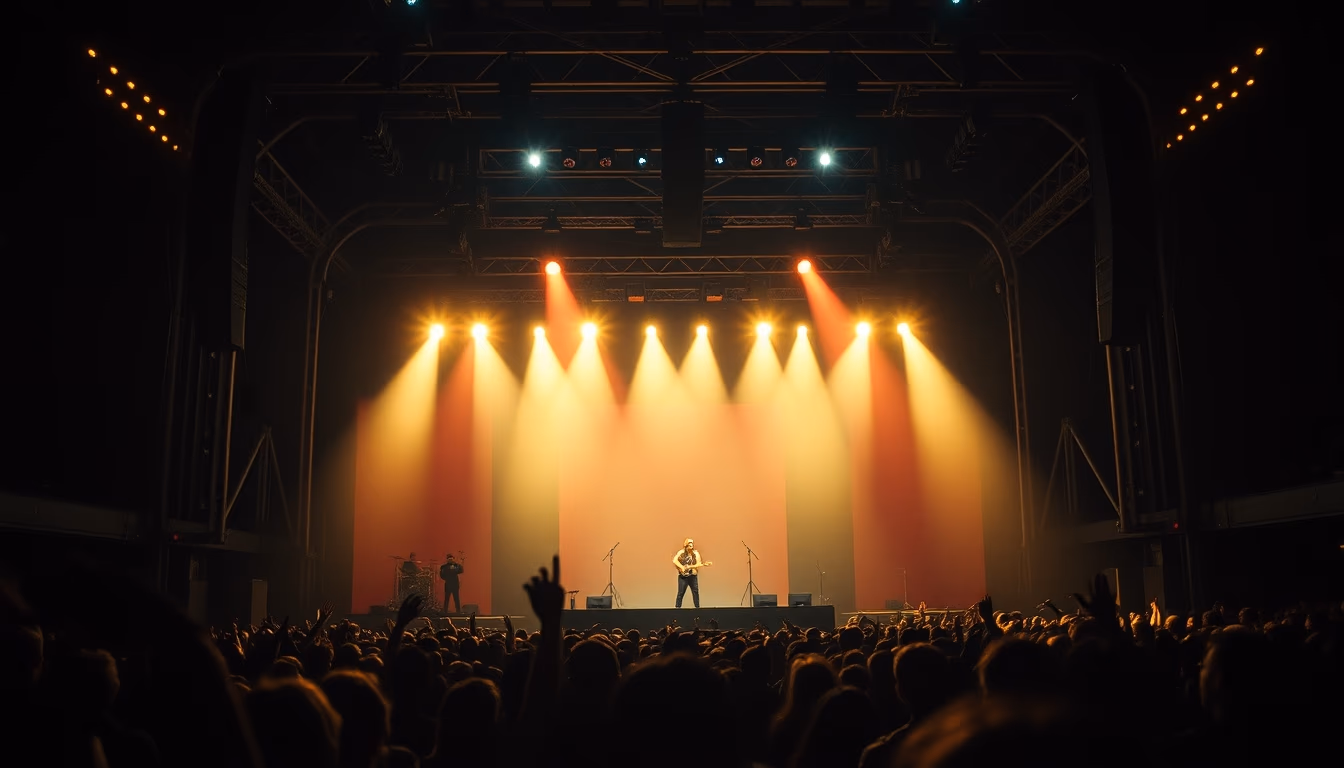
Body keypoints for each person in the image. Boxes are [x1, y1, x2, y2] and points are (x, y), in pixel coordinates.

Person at [672, 538, 708, 608]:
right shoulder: (681, 552)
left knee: (695, 592)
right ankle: (677, 609)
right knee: (680, 593)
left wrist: (690, 567)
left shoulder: (696, 554)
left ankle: (697, 608)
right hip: (683, 577)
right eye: (689, 545)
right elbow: (674, 560)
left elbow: (698, 564)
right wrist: (682, 567)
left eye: (691, 545)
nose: (691, 546)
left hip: (692, 576)